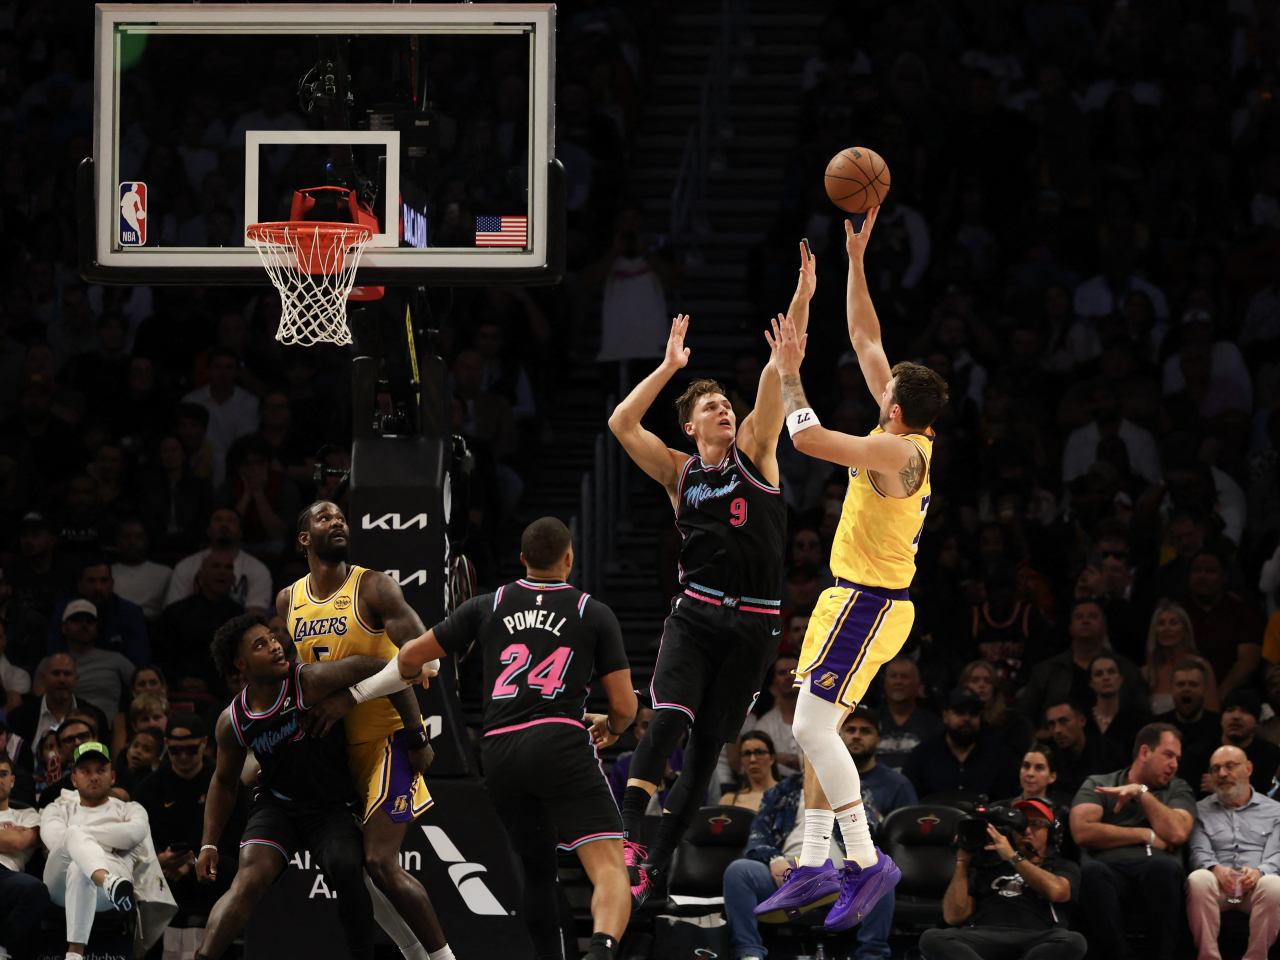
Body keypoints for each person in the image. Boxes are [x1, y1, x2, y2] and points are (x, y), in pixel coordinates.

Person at [757, 210, 951, 932]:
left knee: (808, 727)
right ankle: (810, 862)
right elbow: (866, 335)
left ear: (894, 408)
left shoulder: (900, 453)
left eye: (885, 390)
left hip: (870, 603)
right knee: (822, 731)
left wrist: (789, 374)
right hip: (855, 598)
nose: (877, 380)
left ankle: (866, 863)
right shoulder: (902, 426)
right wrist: (855, 258)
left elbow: (805, 438)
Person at [606, 245, 811, 903]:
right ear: (692, 426)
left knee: (705, 753)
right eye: (712, 407)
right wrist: (668, 367)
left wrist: (802, 300)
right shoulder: (679, 471)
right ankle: (631, 836)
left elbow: (777, 377)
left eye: (727, 403)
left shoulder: (756, 449)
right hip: (695, 613)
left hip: (754, 623)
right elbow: (620, 421)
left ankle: (657, 865)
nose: (724, 410)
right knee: (666, 717)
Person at [394, 516, 636, 960]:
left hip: (500, 749)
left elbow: (409, 654)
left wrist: (420, 670)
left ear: (522, 560)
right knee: (608, 869)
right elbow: (624, 707)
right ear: (570, 558)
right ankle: (601, 951)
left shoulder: (487, 604)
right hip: (559, 741)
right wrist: (614, 727)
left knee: (538, 874)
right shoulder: (591, 611)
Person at [275, 501, 456, 960]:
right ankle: (415, 955)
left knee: (380, 860)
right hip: (332, 752)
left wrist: (357, 700)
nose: (337, 521)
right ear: (304, 538)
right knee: (351, 867)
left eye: (341, 517)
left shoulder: (374, 586)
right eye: (323, 517)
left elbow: (429, 661)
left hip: (386, 739)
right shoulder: (287, 600)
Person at [194, 614, 412, 960]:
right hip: (277, 807)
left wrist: (399, 724)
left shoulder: (310, 680)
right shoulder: (232, 720)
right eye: (261, 645)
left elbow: (384, 667)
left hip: (331, 807)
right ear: (241, 664)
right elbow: (222, 781)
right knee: (248, 879)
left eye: (272, 637)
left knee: (344, 865)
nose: (275, 645)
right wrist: (209, 843)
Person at [728, 709, 903, 960]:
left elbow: (868, 832)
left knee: (878, 874)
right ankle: (749, 953)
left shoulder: (855, 789)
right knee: (738, 871)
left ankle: (872, 955)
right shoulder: (779, 792)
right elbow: (758, 838)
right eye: (809, 750)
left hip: (843, 877)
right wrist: (774, 859)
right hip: (785, 875)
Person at [1070, 723, 1196, 960]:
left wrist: (1141, 793)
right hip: (1108, 869)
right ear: (1145, 752)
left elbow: (1178, 832)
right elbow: (1082, 832)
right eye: (1168, 755)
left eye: (1178, 758)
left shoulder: (1178, 789)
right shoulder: (1100, 783)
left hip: (1156, 868)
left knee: (1164, 868)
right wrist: (1144, 835)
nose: (1174, 765)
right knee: (1091, 872)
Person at [41, 740, 175, 960]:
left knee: (78, 864)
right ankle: (107, 881)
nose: (94, 776)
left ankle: (74, 955)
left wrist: (76, 842)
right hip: (61, 885)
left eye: (101, 770)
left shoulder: (132, 809)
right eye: (86, 771)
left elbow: (132, 833)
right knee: (72, 836)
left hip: (109, 885)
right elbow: (53, 837)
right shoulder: (56, 808)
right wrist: (108, 841)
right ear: (74, 779)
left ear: (112, 777)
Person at [919, 798, 1085, 960]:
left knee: (1073, 941)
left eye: (1035, 825)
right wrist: (963, 861)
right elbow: (953, 915)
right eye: (1020, 825)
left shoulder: (1062, 866)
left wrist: (1013, 857)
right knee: (932, 937)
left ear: (1051, 834)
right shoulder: (988, 864)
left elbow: (1058, 892)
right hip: (983, 936)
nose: (1026, 830)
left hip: (1036, 938)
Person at [134, 713, 242, 935]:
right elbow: (138, 837)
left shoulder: (224, 782)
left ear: (204, 742)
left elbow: (235, 835)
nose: (183, 756)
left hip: (211, 864)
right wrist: (159, 859)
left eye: (190, 749)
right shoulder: (149, 788)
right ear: (166, 744)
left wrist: (194, 860)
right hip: (163, 869)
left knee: (230, 868)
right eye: (175, 750)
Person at [1186, 744, 1280, 960]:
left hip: (1257, 888)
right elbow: (1198, 851)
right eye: (1216, 769)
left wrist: (1259, 872)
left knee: (1275, 883)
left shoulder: (1275, 811)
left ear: (1248, 768)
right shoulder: (1200, 809)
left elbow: (1277, 854)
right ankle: (1208, 956)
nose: (1222, 774)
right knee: (1198, 878)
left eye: (1230, 766)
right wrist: (1216, 870)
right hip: (1217, 887)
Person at [1018, 599, 1145, 729]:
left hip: (1114, 744)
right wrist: (1035, 736)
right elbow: (1023, 714)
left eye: (1093, 616)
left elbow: (1142, 714)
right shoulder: (1047, 670)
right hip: (1058, 744)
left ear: (1104, 627)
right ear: (1070, 627)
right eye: (1079, 617)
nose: (1086, 620)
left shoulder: (1125, 668)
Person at [902, 687, 1019, 802]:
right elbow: (908, 802)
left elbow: (1008, 802)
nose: (967, 718)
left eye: (973, 713)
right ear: (945, 716)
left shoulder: (998, 755)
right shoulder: (923, 754)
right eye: (959, 712)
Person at [155, 550, 243, 690]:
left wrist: (210, 685)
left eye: (228, 567)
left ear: (233, 578)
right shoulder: (175, 612)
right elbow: (161, 656)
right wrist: (178, 681)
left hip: (223, 694)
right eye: (216, 566)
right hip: (176, 688)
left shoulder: (241, 618)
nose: (222, 572)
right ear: (200, 574)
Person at [1183, 550, 1264, 701]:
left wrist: (1218, 695)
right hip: (1183, 691)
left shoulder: (1241, 611)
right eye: (1196, 570)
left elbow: (1249, 660)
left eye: (1211, 571)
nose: (1202, 576)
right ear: (1188, 577)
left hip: (1230, 695)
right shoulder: (1177, 612)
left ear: (1224, 577)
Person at [35, 600, 134, 721]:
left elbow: (143, 686)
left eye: (90, 621)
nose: (84, 625)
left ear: (96, 628)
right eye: (77, 620)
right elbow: (38, 700)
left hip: (107, 731)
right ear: (63, 628)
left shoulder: (116, 660)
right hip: (61, 728)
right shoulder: (49, 664)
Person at [164, 508, 272, 614]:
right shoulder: (186, 566)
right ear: (208, 530)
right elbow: (175, 611)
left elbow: (255, 615)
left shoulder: (257, 569)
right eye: (217, 520)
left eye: (231, 521)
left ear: (240, 532)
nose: (224, 525)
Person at [48, 556, 149, 665]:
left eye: (104, 581)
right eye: (91, 581)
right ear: (80, 586)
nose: (98, 587)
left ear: (112, 584)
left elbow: (138, 663)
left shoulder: (131, 613)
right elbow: (55, 656)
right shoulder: (64, 610)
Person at [1181, 690, 1280, 797]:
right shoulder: (1197, 754)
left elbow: (1270, 797)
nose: (1236, 716)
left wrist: (1225, 789)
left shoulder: (1271, 755)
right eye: (1230, 710)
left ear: (1257, 722)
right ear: (1221, 718)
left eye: (1245, 711)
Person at [0, 754, 49, 956]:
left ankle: (1, 943)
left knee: (36, 890)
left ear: (12, 781)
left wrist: (11, 839)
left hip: (6, 877)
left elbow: (17, 842)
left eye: (3, 774)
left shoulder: (27, 815)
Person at [1142, 600, 1219, 715]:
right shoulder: (1146, 673)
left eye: (1173, 623)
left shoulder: (1202, 667)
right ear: (1155, 632)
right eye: (1161, 623)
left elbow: (1213, 714)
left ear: (1185, 631)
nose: (1167, 628)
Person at [1043, 700, 1128, 799]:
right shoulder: (1046, 756)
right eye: (1052, 724)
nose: (1057, 730)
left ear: (1082, 721)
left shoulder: (1111, 753)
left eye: (1064, 721)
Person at [740, 654, 802, 778]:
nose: (789, 676)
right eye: (782, 672)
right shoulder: (764, 724)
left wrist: (787, 758)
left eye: (794, 671)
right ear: (774, 682)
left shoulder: (823, 717)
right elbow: (759, 764)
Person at [877, 657, 943, 771]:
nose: (898, 682)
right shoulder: (871, 721)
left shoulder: (934, 726)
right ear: (885, 683)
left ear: (918, 684)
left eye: (905, 677)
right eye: (893, 676)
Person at [958, 659, 1034, 757]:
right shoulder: (955, 723)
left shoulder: (1013, 722)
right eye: (975, 680)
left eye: (987, 681)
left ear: (994, 688)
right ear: (964, 686)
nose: (982, 685)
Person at [1154, 659, 1222, 758]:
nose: (1186, 689)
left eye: (1193, 684)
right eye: (1180, 684)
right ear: (1172, 689)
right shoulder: (1157, 727)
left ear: (1205, 689)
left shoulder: (1220, 727)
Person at [1087, 653, 1147, 757]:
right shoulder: (1083, 721)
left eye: (1111, 672)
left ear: (1121, 679)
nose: (1106, 677)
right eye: (1099, 674)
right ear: (1091, 683)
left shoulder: (1137, 722)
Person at [110, 520, 172, 620]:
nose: (132, 541)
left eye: (138, 537)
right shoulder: (107, 573)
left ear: (146, 542)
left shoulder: (164, 573)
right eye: (126, 537)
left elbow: (170, 613)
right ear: (118, 543)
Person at [721, 731, 781, 812]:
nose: (752, 759)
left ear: (772, 758)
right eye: (747, 754)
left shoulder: (790, 795)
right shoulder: (728, 800)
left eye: (759, 753)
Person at [996, 746, 1072, 809]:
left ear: (1052, 777)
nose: (1030, 773)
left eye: (1039, 768)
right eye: (1026, 766)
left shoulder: (1060, 814)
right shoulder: (1000, 809)